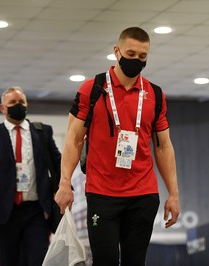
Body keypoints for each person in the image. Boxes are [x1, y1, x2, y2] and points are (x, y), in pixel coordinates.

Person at [55, 27, 181, 266]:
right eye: (130, 54)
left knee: (136, 261)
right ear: (117, 51)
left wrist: (173, 194)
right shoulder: (92, 90)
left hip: (143, 194)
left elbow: (163, 146)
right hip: (102, 194)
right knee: (106, 260)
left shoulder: (154, 94)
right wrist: (64, 183)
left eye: (142, 57)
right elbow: (74, 139)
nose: (136, 61)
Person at [0, 86, 61, 266]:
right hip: (5, 211)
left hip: (36, 210)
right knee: (8, 260)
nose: (18, 105)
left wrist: (64, 188)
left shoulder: (43, 132)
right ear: (2, 108)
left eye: (21, 102)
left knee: (38, 259)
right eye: (12, 102)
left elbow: (58, 163)